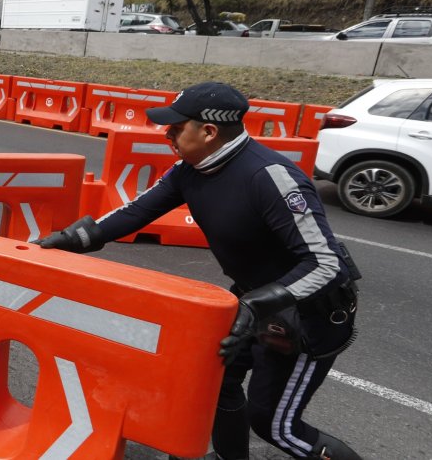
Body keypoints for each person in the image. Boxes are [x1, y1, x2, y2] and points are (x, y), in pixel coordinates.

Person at [35, 82, 361, 460]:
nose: (167, 133)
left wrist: (255, 305)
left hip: (309, 313)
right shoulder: (189, 170)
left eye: (176, 127)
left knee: (275, 425)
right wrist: (69, 239)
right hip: (254, 301)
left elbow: (325, 264)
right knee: (216, 382)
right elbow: (134, 213)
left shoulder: (270, 178)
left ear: (208, 131)